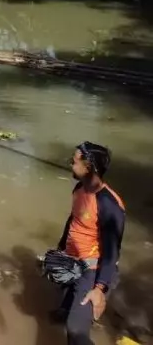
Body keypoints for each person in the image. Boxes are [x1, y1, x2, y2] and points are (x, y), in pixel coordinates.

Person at [54, 141, 125, 345]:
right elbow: (74, 219)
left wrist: (99, 289)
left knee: (75, 331)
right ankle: (65, 309)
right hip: (73, 260)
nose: (70, 164)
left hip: (93, 270)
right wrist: (61, 249)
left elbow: (112, 252)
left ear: (88, 167)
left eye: (74, 161)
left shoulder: (109, 205)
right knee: (64, 306)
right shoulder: (79, 188)